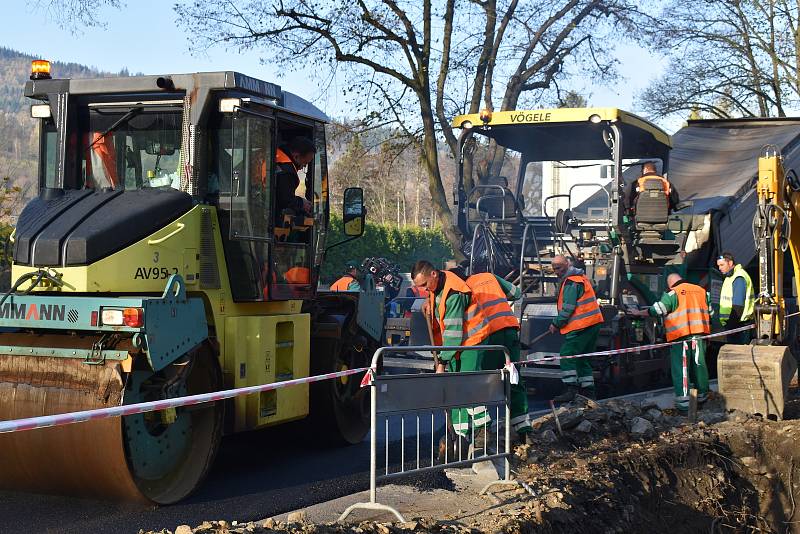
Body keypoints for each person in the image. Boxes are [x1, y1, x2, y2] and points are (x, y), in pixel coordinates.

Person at [412, 260, 487, 455]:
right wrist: (429, 300)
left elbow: (454, 332)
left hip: (470, 342)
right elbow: (434, 295)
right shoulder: (437, 283)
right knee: (454, 390)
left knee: (467, 386)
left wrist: (442, 362)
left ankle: (482, 432)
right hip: (455, 346)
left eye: (424, 286)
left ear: (434, 275)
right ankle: (460, 435)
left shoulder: (454, 293)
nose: (422, 290)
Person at [463, 271, 532, 441]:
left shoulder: (464, 286)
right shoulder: (491, 277)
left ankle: (482, 430)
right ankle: (524, 430)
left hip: (487, 335)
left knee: (478, 380)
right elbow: (516, 293)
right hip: (508, 330)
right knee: (513, 378)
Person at [632, 273, 711, 413]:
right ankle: (702, 397)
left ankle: (684, 404)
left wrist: (638, 313)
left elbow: (658, 310)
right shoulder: (701, 291)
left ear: (670, 284)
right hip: (699, 335)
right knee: (699, 366)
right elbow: (711, 312)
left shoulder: (673, 293)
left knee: (682, 369)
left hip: (681, 337)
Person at [550, 255, 604, 402]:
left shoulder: (571, 282)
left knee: (566, 355)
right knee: (582, 359)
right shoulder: (580, 278)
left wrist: (556, 324)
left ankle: (570, 389)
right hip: (592, 324)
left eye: (559, 268)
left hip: (581, 326)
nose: (556, 271)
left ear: (567, 264)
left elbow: (567, 308)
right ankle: (588, 392)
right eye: (554, 268)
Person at [275, 136, 316, 224]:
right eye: (305, 163)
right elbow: (285, 200)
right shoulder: (287, 170)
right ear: (296, 156)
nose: (304, 166)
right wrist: (302, 203)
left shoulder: (275, 154)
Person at [716, 252, 754, 344]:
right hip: (736, 325)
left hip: (738, 326)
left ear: (730, 263)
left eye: (722, 265)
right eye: (718, 265)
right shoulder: (731, 277)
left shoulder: (739, 277)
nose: (719, 268)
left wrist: (731, 327)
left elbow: (738, 306)